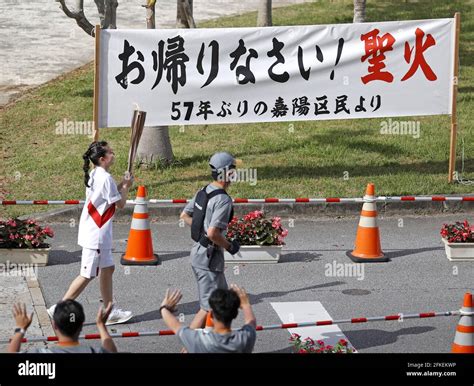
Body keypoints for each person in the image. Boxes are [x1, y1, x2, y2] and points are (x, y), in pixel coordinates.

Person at [47, 141, 133, 325]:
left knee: (108, 269)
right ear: (103, 159)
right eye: (111, 152)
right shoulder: (105, 178)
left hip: (95, 231)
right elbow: (120, 204)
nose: (114, 153)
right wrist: (126, 186)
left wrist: (123, 184)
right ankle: (58, 308)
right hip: (97, 234)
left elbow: (110, 195)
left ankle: (109, 311)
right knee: (87, 274)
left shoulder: (96, 174)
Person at [179, 152, 241, 329]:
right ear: (227, 173)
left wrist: (201, 233)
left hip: (200, 253)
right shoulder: (223, 200)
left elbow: (184, 215)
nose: (235, 173)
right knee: (208, 308)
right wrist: (230, 246)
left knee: (221, 301)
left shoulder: (204, 190)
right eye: (233, 169)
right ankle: (188, 346)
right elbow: (214, 233)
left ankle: (213, 340)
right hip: (208, 259)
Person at [160, 285, 257, 353]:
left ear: (211, 314)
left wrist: (164, 308)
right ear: (235, 314)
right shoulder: (245, 339)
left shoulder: (198, 340)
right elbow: (251, 322)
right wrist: (245, 304)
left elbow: (175, 325)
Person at [8, 300, 117, 353]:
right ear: (81, 325)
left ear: (54, 325)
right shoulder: (95, 352)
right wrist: (101, 325)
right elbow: (111, 352)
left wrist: (20, 329)